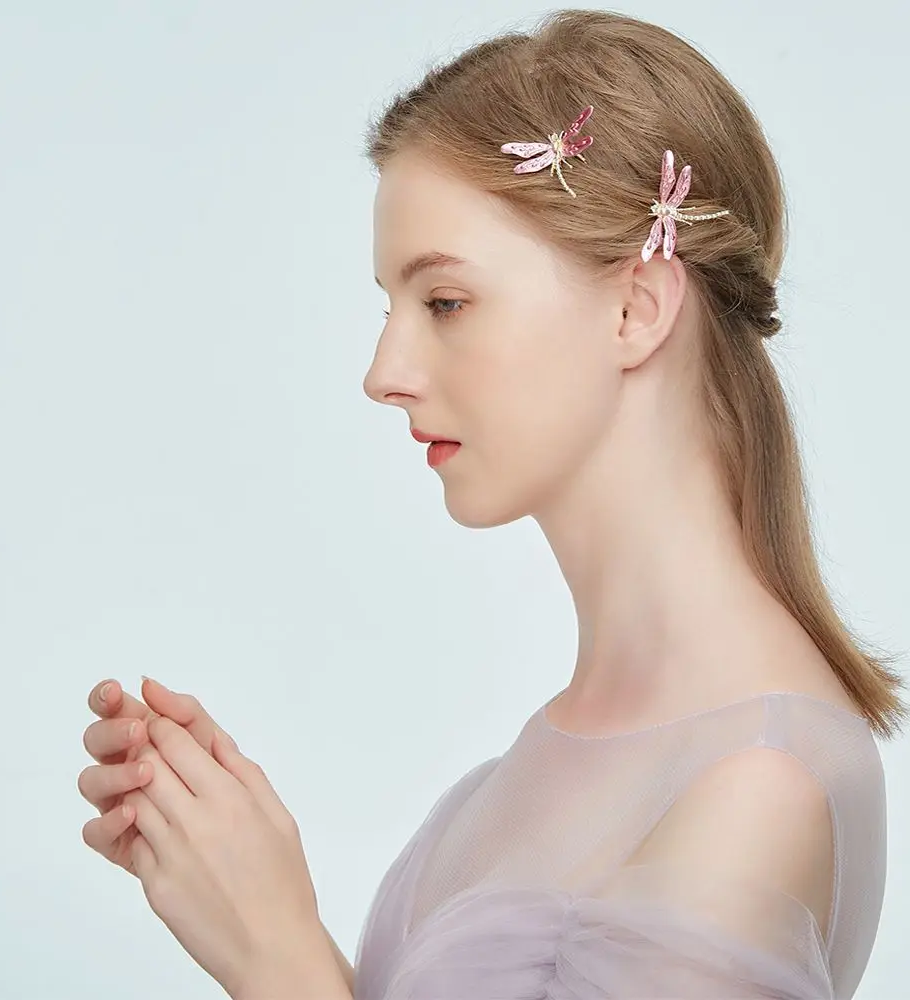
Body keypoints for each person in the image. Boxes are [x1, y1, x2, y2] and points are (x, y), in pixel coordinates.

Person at [78, 9, 907, 999]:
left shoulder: (752, 788)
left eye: (444, 303)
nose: (383, 372)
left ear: (636, 309)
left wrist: (276, 953)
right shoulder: (576, 743)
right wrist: (230, 875)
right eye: (390, 306)